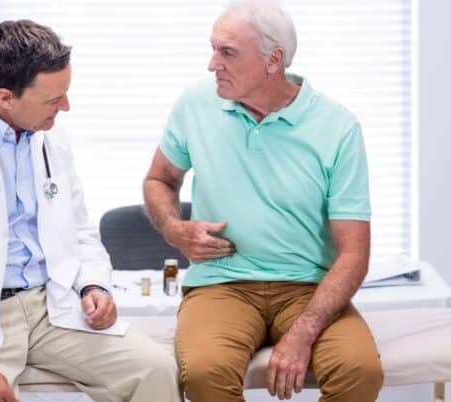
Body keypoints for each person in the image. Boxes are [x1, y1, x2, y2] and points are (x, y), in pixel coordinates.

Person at [0, 19, 180, 402]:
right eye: (54, 100)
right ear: (5, 97)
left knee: (155, 371)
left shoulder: (49, 136)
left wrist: (93, 286)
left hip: (49, 307)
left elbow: (80, 231)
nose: (66, 108)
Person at [143, 1, 383, 401]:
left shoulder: (337, 128)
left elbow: (354, 256)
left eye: (227, 53)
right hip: (222, 286)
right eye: (213, 48)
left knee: (360, 372)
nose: (211, 64)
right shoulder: (196, 104)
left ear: (273, 61)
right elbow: (159, 179)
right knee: (205, 373)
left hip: (308, 288)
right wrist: (174, 228)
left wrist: (303, 333)